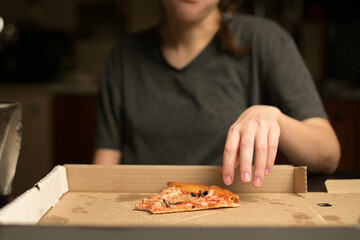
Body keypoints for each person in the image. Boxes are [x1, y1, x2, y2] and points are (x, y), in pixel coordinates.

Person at [93, 0, 340, 187]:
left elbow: (328, 155)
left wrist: (275, 118)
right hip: (142, 216)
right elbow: (102, 172)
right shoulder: (123, 56)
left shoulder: (265, 39)